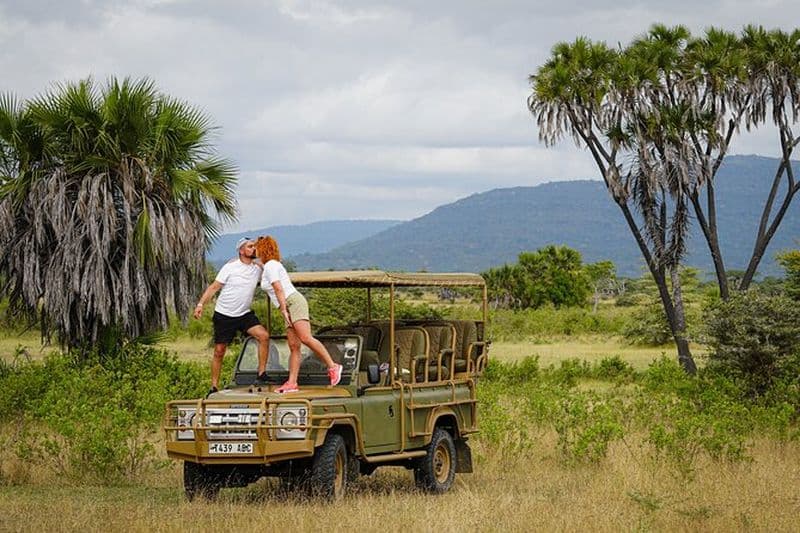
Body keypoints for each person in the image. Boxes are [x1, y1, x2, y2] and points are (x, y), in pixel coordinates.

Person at [256, 235, 342, 393]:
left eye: (257, 249)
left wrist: (283, 309)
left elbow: (278, 288)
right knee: (294, 346)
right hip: (287, 305)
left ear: (263, 249)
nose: (256, 252)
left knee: (305, 338)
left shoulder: (271, 266)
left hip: (291, 302)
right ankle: (292, 382)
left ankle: (333, 366)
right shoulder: (269, 266)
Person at [194, 237, 270, 395]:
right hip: (224, 314)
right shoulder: (230, 267)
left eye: (254, 246)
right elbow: (214, 287)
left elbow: (272, 271)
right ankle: (214, 386)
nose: (253, 249)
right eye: (250, 246)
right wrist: (201, 304)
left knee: (263, 336)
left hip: (244, 314)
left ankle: (261, 374)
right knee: (219, 350)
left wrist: (261, 262)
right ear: (241, 250)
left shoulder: (257, 268)